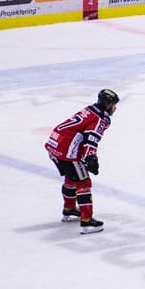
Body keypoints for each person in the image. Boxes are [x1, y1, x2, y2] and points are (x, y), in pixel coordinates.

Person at [45, 89, 119, 234]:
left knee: (71, 177)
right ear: (108, 104)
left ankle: (69, 209)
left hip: (54, 144)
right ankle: (87, 222)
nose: (115, 109)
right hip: (66, 151)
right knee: (83, 181)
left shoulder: (91, 109)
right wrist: (91, 157)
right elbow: (91, 137)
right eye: (114, 105)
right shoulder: (101, 118)